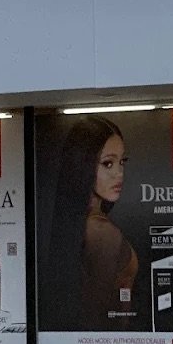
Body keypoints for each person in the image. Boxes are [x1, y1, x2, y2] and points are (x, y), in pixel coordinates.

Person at [45, 116, 138, 331]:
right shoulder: (101, 232)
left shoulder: (74, 224)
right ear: (83, 165)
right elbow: (98, 316)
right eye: (108, 163)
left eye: (122, 161)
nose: (119, 173)